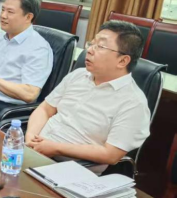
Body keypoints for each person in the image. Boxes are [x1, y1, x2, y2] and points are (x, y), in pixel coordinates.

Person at [26, 20, 150, 172]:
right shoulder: (78, 75)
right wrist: (30, 137)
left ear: (122, 61)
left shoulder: (134, 103)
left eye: (100, 46)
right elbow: (45, 109)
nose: (89, 50)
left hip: (73, 169)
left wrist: (56, 148)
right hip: (36, 151)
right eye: (91, 44)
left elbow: (111, 154)